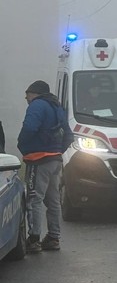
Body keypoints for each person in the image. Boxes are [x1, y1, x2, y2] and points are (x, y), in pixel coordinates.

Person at [17, 80, 71, 253]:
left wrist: (23, 146)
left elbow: (29, 128)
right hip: (55, 160)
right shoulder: (57, 107)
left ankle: (34, 240)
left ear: (36, 93)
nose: (26, 97)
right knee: (53, 200)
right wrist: (57, 151)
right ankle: (53, 238)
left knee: (34, 199)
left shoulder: (37, 105)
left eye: (28, 93)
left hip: (38, 159)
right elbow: (69, 135)